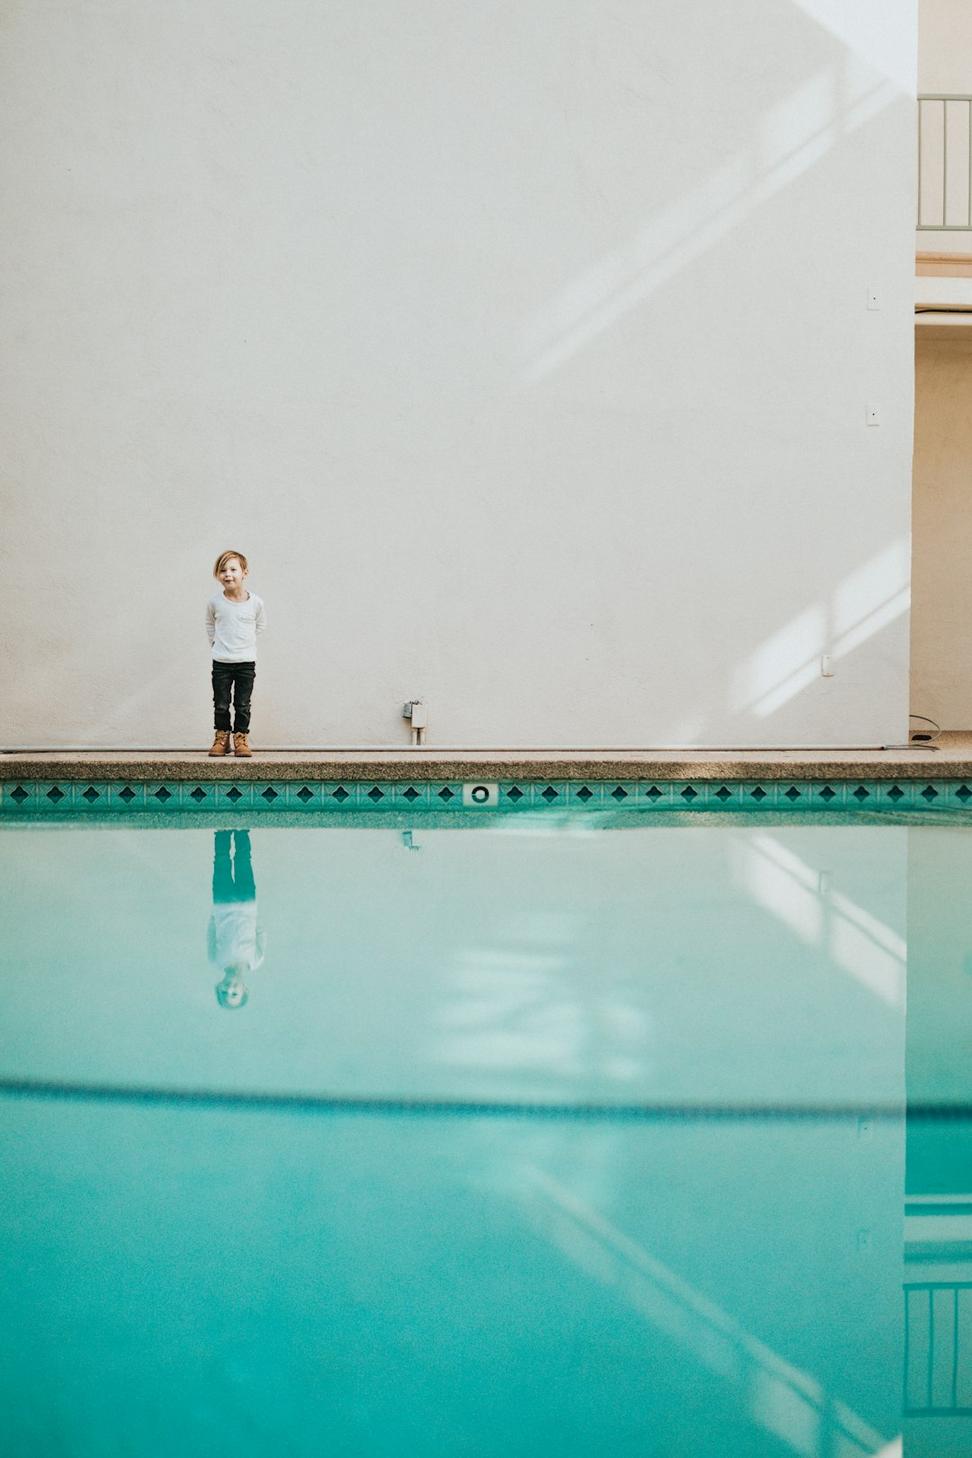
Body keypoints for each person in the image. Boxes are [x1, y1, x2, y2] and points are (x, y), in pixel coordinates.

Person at [206, 549, 267, 757]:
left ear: (245, 573)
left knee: (242, 704)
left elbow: (260, 625)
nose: (228, 574)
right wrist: (216, 645)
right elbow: (210, 625)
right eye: (223, 570)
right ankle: (222, 738)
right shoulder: (215, 602)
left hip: (246, 662)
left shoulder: (256, 603)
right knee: (221, 704)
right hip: (221, 662)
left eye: (233, 569)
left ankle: (241, 737)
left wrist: (245, 645)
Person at [209, 829, 266, 1009]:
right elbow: (261, 933)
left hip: (222, 902)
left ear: (218, 986)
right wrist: (250, 914)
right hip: (247, 903)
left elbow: (211, 933)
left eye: (224, 992)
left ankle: (222, 832)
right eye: (234, 993)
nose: (229, 989)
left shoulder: (216, 960)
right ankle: (242, 830)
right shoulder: (255, 961)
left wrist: (217, 912)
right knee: (243, 861)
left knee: (221, 862)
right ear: (244, 989)